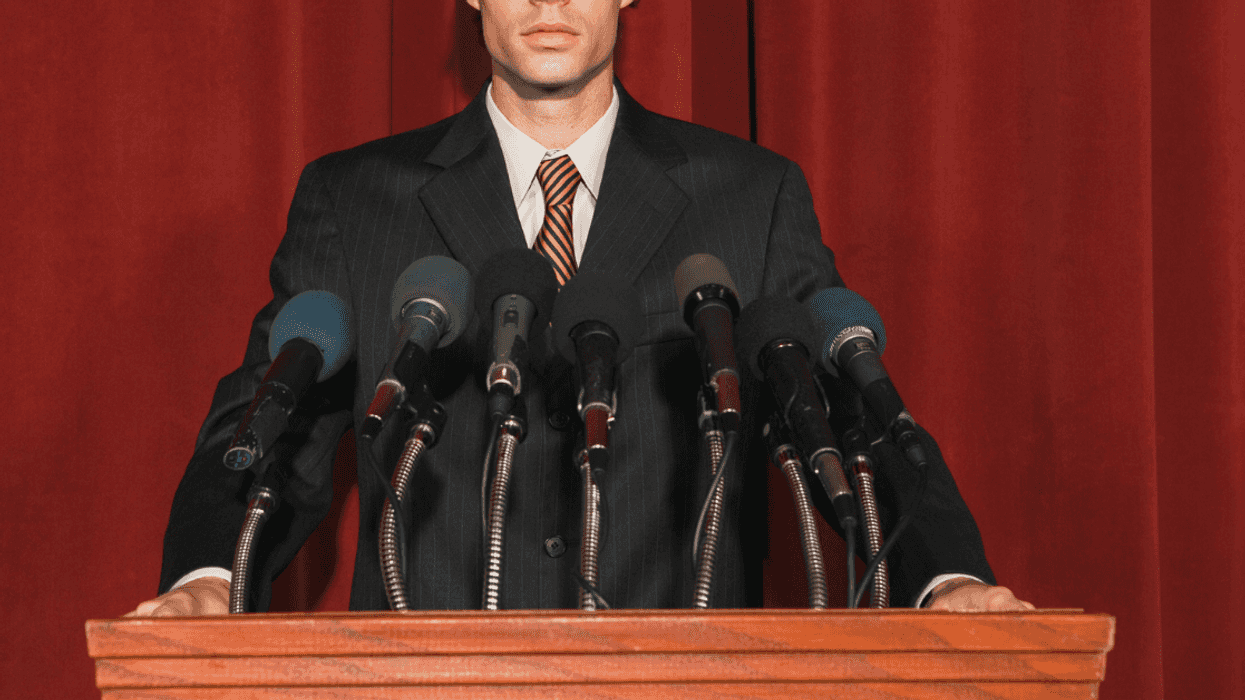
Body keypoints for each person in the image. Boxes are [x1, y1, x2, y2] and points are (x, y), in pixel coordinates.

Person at [129, 0, 1033, 617]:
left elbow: (844, 417)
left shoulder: (749, 198)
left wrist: (944, 576)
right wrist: (209, 575)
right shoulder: (356, 201)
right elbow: (271, 419)